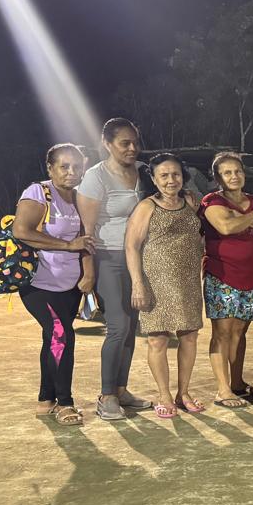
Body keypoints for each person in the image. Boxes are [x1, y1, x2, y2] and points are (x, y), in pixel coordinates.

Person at [12, 143, 95, 425]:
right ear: (50, 168)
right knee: (62, 334)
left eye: (76, 167)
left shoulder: (82, 198)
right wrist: (67, 245)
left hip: (70, 284)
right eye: (64, 166)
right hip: (38, 282)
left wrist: (88, 273)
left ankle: (45, 400)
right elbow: (21, 231)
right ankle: (65, 403)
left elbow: (87, 239)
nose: (71, 172)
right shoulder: (38, 192)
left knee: (54, 338)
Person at [77, 117, 151, 420]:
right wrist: (89, 272)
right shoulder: (96, 177)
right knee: (118, 326)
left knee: (131, 326)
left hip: (140, 258)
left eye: (135, 142)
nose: (132, 148)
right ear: (107, 144)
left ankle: (121, 390)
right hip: (108, 257)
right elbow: (86, 231)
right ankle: (106, 396)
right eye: (124, 143)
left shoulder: (143, 171)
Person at [124, 154, 205, 420]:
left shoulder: (190, 202)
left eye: (176, 174)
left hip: (188, 281)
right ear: (154, 178)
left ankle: (184, 393)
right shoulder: (146, 207)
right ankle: (164, 395)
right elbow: (132, 246)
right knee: (158, 339)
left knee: (189, 336)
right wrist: (138, 284)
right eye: (164, 175)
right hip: (156, 282)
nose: (171, 180)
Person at [199, 151, 253, 409]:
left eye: (237, 171)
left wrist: (241, 219)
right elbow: (225, 227)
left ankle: (236, 382)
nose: (234, 176)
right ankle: (222, 390)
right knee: (222, 332)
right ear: (218, 177)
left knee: (239, 331)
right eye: (227, 173)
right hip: (222, 275)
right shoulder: (212, 201)